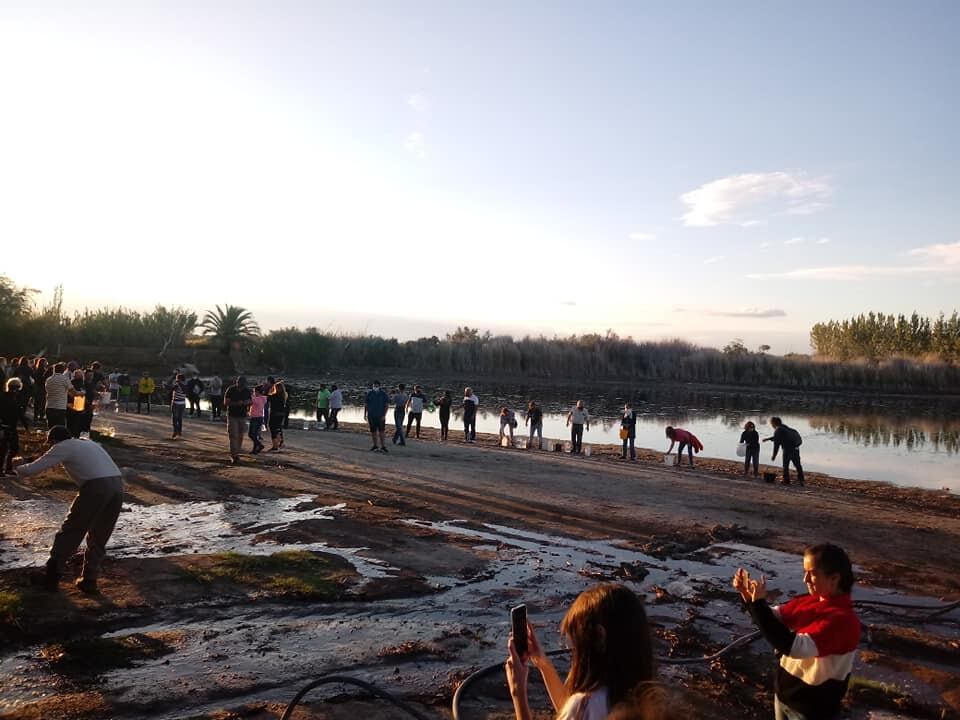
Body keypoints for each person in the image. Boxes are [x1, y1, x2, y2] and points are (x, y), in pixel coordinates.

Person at [733, 543, 860, 720]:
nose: (805, 580)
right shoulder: (812, 601)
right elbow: (773, 618)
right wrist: (749, 598)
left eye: (812, 573)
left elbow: (794, 647)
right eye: (805, 572)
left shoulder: (843, 621)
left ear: (834, 578)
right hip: (785, 697)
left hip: (811, 710)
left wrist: (759, 607)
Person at [505, 583, 655, 720]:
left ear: (599, 637)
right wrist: (543, 664)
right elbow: (569, 712)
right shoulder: (650, 699)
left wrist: (518, 693)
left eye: (576, 643)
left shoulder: (584, 705)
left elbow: (575, 711)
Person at [13, 425, 124, 594]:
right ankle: (89, 580)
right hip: (117, 485)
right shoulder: (88, 443)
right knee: (100, 535)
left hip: (96, 488)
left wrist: (17, 466)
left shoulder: (62, 446)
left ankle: (51, 578)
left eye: (51, 444)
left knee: (71, 530)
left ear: (55, 441)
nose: (51, 447)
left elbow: (32, 470)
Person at [0, 378, 30, 475]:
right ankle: (1, 470)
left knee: (14, 448)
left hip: (12, 427)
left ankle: (8, 468)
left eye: (16, 388)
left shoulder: (16, 398)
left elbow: (20, 414)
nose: (15, 390)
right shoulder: (2, 397)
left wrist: (26, 426)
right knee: (3, 449)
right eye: (14, 388)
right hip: (3, 426)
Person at [764, 417, 805, 485]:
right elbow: (780, 437)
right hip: (796, 448)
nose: (771, 425)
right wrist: (768, 439)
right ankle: (801, 479)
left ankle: (786, 480)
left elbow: (776, 444)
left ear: (774, 423)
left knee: (785, 465)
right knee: (798, 465)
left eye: (771, 423)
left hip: (788, 449)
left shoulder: (778, 430)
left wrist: (774, 455)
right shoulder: (786, 428)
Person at [223, 376, 252, 463]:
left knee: (240, 435)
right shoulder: (231, 390)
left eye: (243, 384)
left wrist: (244, 403)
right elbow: (225, 402)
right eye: (240, 383)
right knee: (233, 435)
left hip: (243, 416)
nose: (242, 385)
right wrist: (236, 403)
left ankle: (237, 452)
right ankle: (234, 455)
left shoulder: (246, 390)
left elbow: (250, 401)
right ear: (237, 382)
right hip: (232, 415)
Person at [364, 380, 389, 452]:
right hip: (371, 416)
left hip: (380, 416)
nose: (375, 387)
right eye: (374, 386)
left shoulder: (383, 394)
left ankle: (383, 446)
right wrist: (365, 414)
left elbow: (386, 405)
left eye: (377, 386)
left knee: (381, 431)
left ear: (379, 386)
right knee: (373, 431)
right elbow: (366, 404)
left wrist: (384, 415)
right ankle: (375, 445)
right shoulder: (369, 393)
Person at [44, 362, 72, 429]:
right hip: (60, 407)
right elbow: (73, 391)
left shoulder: (49, 380)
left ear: (54, 370)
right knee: (60, 428)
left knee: (50, 427)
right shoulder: (65, 379)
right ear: (63, 370)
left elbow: (48, 391)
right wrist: (80, 393)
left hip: (49, 406)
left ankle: (50, 439)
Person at [266, 377, 287, 452]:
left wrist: (267, 388)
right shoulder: (283, 396)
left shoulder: (274, 396)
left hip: (274, 414)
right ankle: (279, 443)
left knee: (272, 428)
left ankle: (275, 446)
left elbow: (267, 398)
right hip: (281, 414)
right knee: (278, 428)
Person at [248, 384, 267, 454]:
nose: (253, 393)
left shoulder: (256, 399)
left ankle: (260, 445)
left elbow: (251, 400)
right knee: (254, 435)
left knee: (251, 434)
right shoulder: (263, 398)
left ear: (258, 392)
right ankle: (255, 449)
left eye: (254, 391)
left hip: (256, 418)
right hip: (259, 418)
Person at [170, 373, 187, 439]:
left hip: (176, 403)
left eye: (177, 378)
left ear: (179, 379)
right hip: (182, 404)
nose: (176, 379)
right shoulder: (185, 385)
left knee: (175, 418)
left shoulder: (177, 385)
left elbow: (170, 389)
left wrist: (165, 385)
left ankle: (175, 431)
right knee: (179, 419)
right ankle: (179, 432)